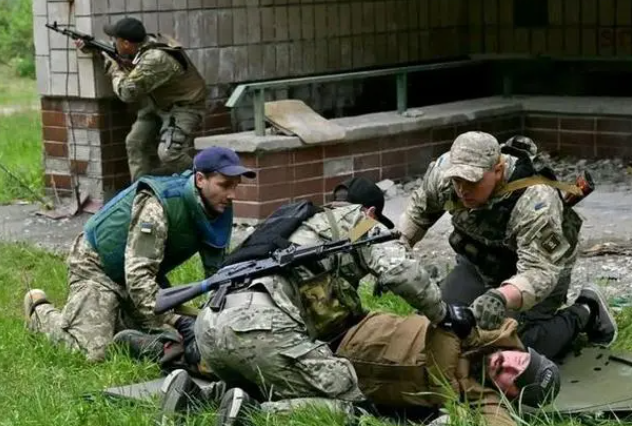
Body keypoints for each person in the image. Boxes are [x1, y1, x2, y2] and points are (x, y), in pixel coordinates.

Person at [148, 176, 475, 424]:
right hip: (260, 327)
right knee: (350, 401)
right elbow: (399, 271)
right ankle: (253, 416)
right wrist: (443, 312)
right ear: (371, 212)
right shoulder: (362, 223)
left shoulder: (294, 223)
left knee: (280, 381)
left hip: (209, 327)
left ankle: (198, 396)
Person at [23, 147, 254, 362]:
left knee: (179, 339)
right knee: (92, 351)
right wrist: (177, 319)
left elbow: (217, 274)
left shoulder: (217, 208)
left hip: (141, 277)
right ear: (200, 179)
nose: (232, 195)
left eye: (236, 186)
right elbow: (138, 277)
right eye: (225, 185)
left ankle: (114, 316)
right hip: (97, 267)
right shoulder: (158, 205)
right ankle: (39, 311)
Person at [398, 131, 614, 359]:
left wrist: (500, 297)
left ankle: (586, 310)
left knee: (511, 349)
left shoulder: (536, 200)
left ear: (498, 170)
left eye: (472, 181)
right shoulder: (444, 173)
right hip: (481, 262)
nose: (462, 190)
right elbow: (417, 214)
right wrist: (395, 256)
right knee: (439, 326)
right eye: (457, 181)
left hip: (536, 270)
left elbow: (540, 272)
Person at [77, 17, 208, 181]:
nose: (113, 42)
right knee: (134, 142)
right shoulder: (143, 44)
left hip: (185, 107)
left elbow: (126, 92)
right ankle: (140, 189)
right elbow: (115, 51)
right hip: (158, 103)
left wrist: (115, 68)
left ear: (126, 43)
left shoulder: (155, 59)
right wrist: (93, 47)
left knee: (169, 154)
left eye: (115, 39)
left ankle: (207, 181)